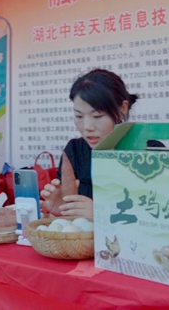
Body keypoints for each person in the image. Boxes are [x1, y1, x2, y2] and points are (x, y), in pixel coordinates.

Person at [40, 68, 138, 218]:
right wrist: (63, 210)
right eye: (79, 116)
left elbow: (159, 215)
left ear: (122, 109)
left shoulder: (148, 150)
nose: (87, 127)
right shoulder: (74, 150)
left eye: (97, 116)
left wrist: (101, 213)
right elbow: (69, 220)